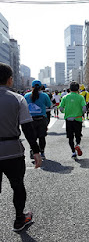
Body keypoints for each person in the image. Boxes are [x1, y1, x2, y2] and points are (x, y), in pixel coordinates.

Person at [0, 62, 42, 232]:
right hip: (12, 151)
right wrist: (36, 151)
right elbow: (27, 128)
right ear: (10, 80)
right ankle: (19, 219)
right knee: (17, 185)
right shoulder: (18, 99)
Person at [24, 80, 52, 160]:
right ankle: (42, 152)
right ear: (41, 87)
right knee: (42, 137)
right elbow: (49, 105)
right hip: (42, 119)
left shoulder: (26, 96)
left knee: (32, 137)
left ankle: (33, 151)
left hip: (30, 120)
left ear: (32, 87)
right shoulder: (44, 95)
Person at [59, 81, 87, 159]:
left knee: (70, 137)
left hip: (68, 119)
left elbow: (61, 109)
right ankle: (77, 144)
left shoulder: (65, 97)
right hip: (78, 119)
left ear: (70, 89)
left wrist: (66, 112)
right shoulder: (80, 97)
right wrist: (81, 113)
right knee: (78, 134)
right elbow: (84, 108)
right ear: (78, 89)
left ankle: (73, 152)